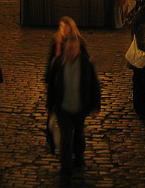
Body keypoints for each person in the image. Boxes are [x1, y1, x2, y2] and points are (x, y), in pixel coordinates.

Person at [46, 34, 101, 186]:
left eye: (73, 50)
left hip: (80, 107)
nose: (70, 53)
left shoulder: (86, 64)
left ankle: (79, 156)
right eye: (68, 50)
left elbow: (94, 85)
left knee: (79, 133)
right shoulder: (57, 64)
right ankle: (66, 172)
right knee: (65, 140)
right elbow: (51, 86)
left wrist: (96, 105)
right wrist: (50, 106)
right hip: (63, 108)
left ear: (78, 50)